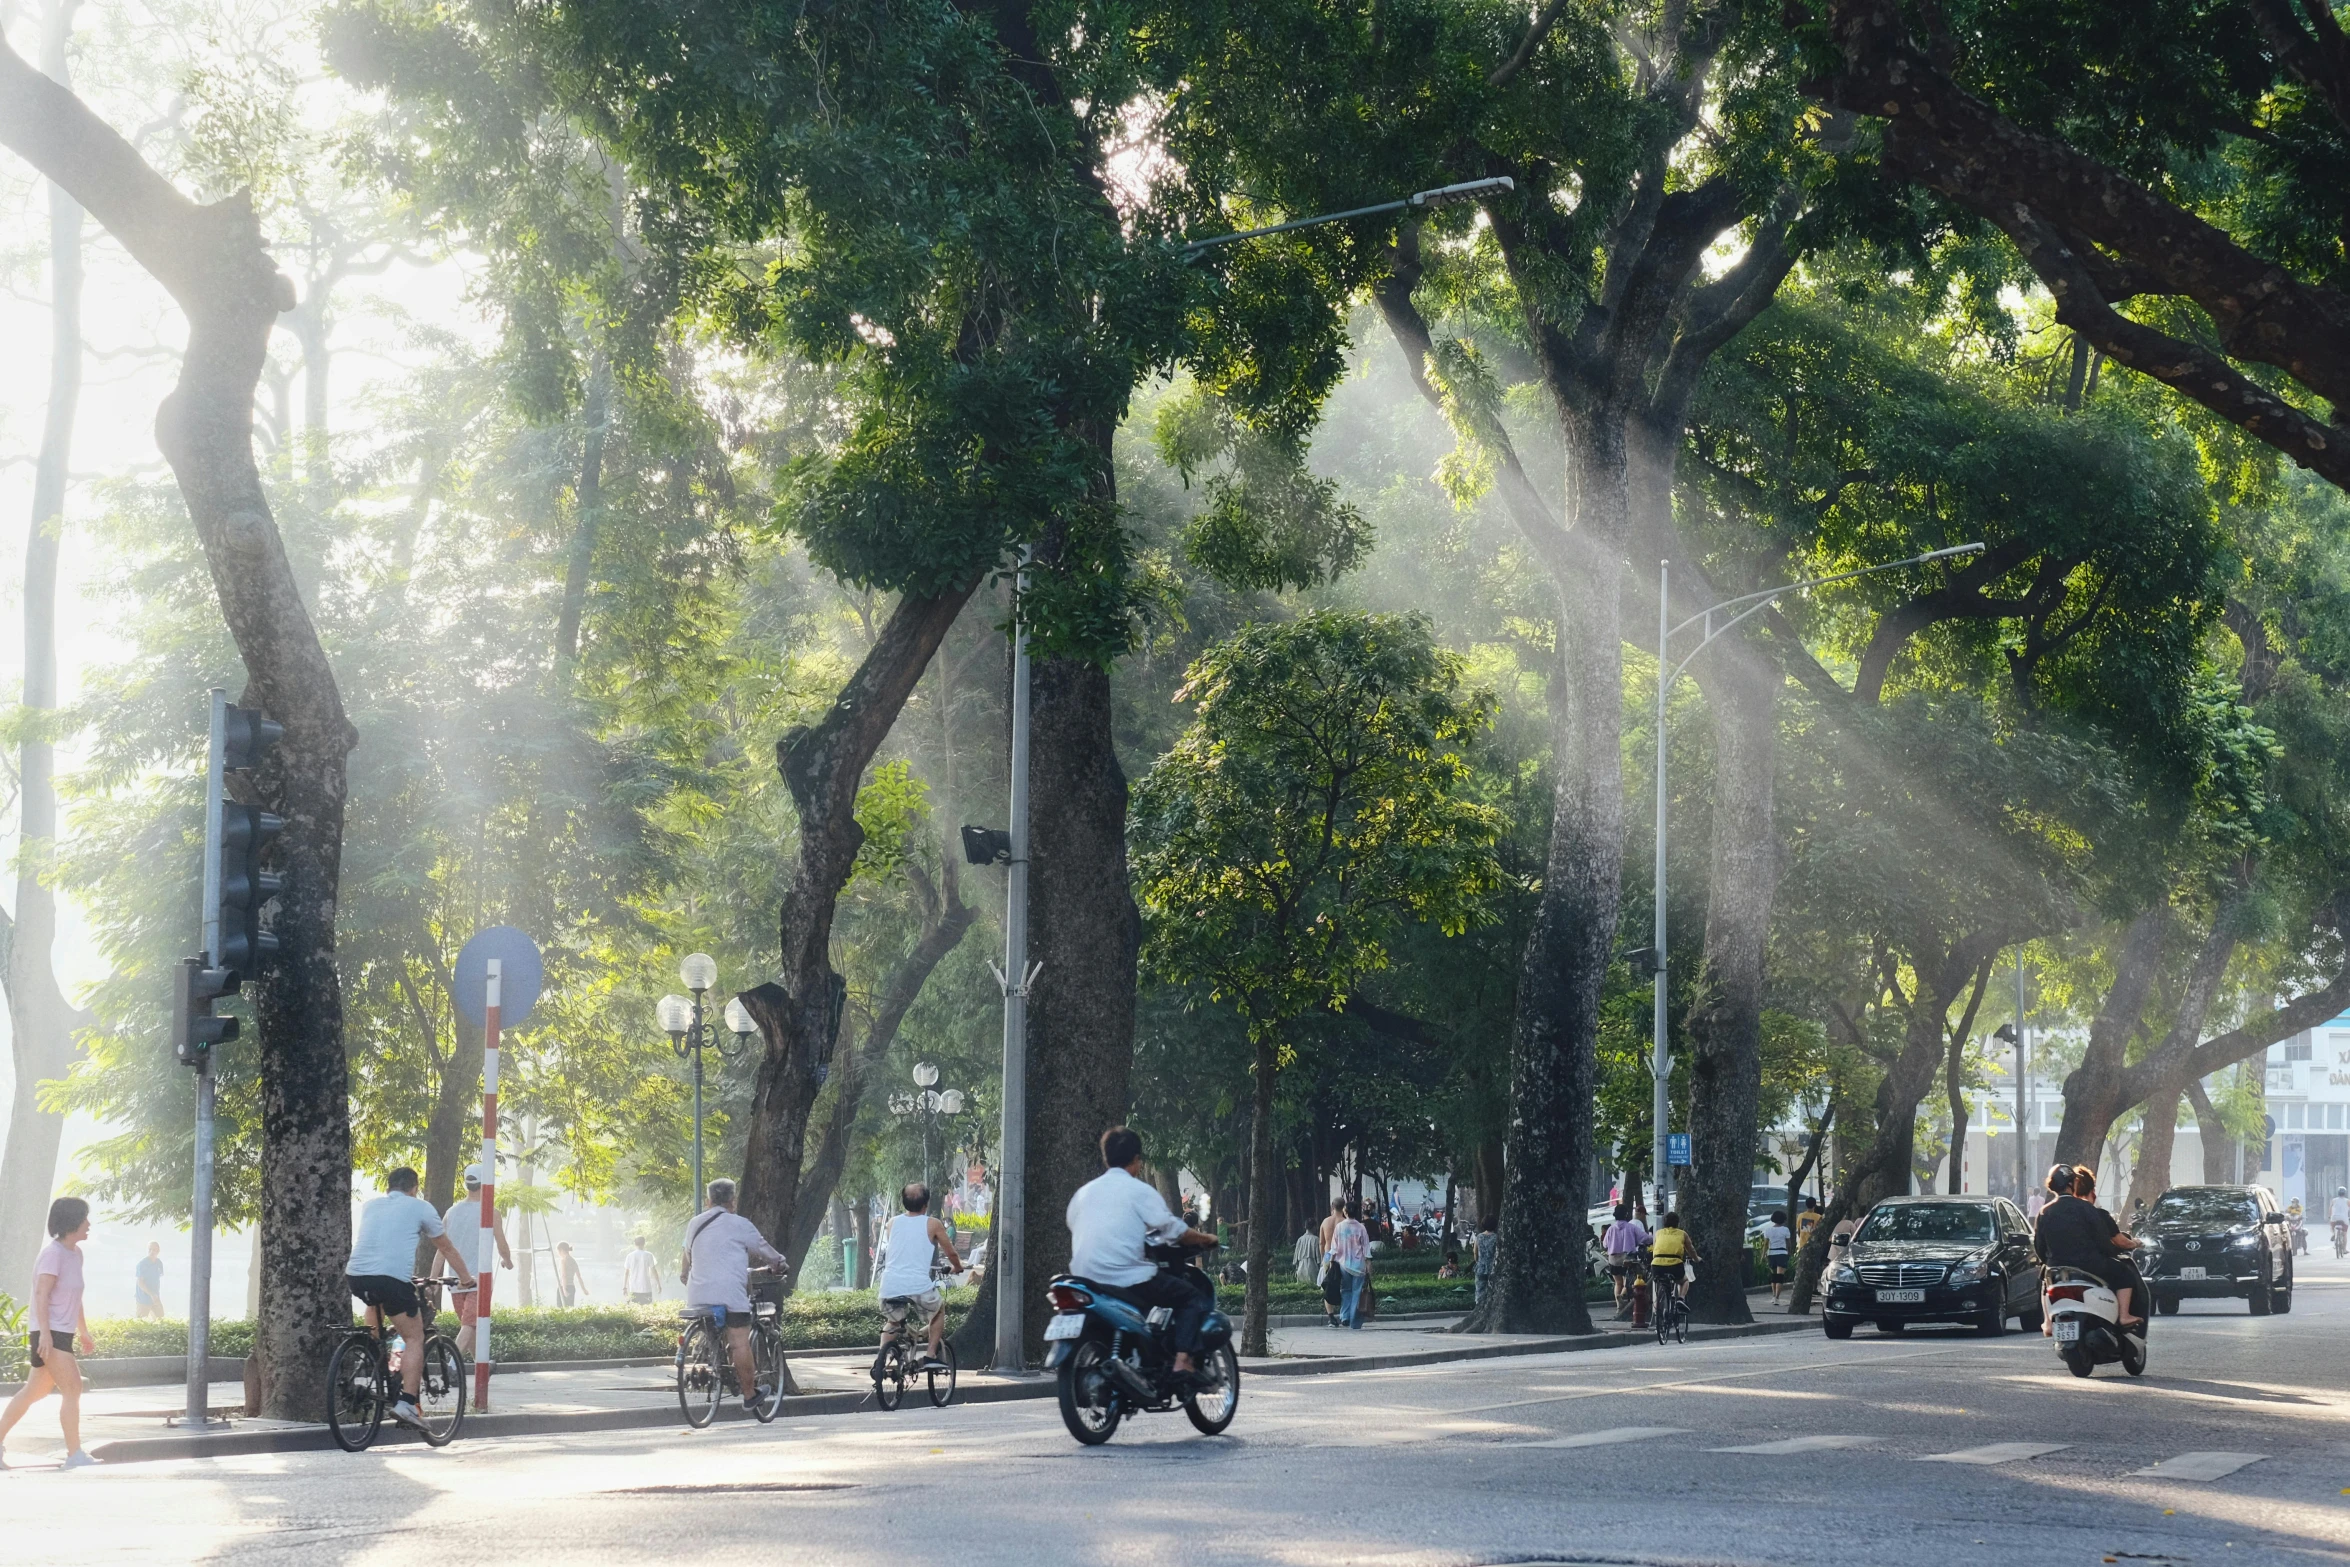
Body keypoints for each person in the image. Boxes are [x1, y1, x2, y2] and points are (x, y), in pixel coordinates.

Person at [1066, 1126, 1220, 1380]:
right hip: (1128, 1279)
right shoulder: (1139, 1191)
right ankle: (1182, 1360)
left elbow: (1074, 1223)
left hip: (1085, 1279)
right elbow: (1174, 1230)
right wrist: (1205, 1239)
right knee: (1191, 1298)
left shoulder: (1083, 1194)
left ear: (1106, 1158)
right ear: (1137, 1160)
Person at [347, 1168, 476, 1431]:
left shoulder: (370, 1206)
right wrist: (466, 1279)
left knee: (376, 1304)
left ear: (389, 1187)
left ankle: (373, 1356)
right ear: (414, 1187)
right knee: (414, 1337)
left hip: (357, 1276)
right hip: (392, 1279)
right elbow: (446, 1247)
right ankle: (406, 1403)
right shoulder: (421, 1207)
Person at [0, 1198, 100, 1469]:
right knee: (73, 1387)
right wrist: (44, 1334)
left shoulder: (75, 1254)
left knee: (34, 1391)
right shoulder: (52, 1254)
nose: (88, 1224)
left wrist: (84, 1331)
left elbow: (74, 1296)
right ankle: (74, 1454)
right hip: (50, 1332)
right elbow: (41, 1294)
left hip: (60, 1332)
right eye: (84, 1219)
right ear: (71, 1222)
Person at [680, 1179, 787, 1409]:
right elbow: (764, 1249)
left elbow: (686, 1255)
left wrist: (683, 1275)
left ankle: (716, 1365)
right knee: (739, 1343)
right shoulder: (740, 1224)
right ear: (733, 1201)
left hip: (697, 1296)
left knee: (713, 1329)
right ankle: (749, 1395)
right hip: (730, 1296)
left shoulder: (694, 1224)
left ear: (708, 1201)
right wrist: (779, 1264)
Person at [2032, 1163, 2146, 1334]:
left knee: (2044, 1281)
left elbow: (2039, 1246)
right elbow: (2103, 1242)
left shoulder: (2044, 1212)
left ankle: (2048, 1322)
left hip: (2056, 1267)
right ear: (2071, 1184)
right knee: (2124, 1274)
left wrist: (2048, 1262)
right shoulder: (2086, 1208)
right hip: (2090, 1265)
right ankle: (2124, 1315)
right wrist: (2113, 1252)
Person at [873, 1181, 967, 1374]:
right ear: (926, 1204)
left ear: (903, 1202)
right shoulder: (933, 1224)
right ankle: (931, 1355)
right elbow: (951, 1254)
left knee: (893, 1322)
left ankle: (880, 1360)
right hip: (918, 1286)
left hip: (889, 1286)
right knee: (938, 1310)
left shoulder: (892, 1223)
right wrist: (957, 1267)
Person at [438, 1165, 511, 1360]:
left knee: (470, 1325)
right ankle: (451, 1366)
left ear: (466, 1184)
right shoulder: (490, 1212)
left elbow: (441, 1250)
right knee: (469, 1325)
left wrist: (433, 1278)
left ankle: (483, 1364)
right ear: (486, 1184)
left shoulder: (451, 1212)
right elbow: (502, 1244)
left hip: (454, 1280)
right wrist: (507, 1261)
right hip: (479, 1279)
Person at [1602, 1203, 1649, 1319]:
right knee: (1628, 1281)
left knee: (1618, 1283)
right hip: (1627, 1258)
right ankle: (1622, 1297)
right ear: (1626, 1214)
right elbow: (1644, 1238)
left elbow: (1605, 1244)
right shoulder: (1631, 1227)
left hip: (1613, 1259)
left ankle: (1619, 1307)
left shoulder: (1611, 1229)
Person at [1331, 1201, 1372, 1328]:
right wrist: (1369, 1266)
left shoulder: (1339, 1227)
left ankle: (1345, 1317)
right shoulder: (1361, 1227)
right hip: (1359, 1266)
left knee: (1345, 1291)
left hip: (1343, 1265)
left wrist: (1330, 1262)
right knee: (1356, 1292)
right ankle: (1354, 1322)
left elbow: (1334, 1248)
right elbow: (1366, 1249)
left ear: (1346, 1212)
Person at [1648, 1210, 1698, 1311]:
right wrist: (1696, 1258)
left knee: (1659, 1283)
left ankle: (1657, 1307)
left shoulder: (1658, 1233)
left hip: (1657, 1265)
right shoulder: (1682, 1234)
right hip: (1675, 1265)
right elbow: (1690, 1249)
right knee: (1684, 1281)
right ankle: (1680, 1299)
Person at [1317, 1196, 1346, 1327]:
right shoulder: (1345, 1222)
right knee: (1343, 1285)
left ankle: (1331, 1317)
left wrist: (1323, 1257)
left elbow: (1321, 1242)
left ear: (1332, 1207)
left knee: (1328, 1285)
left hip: (1328, 1255)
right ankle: (1344, 1314)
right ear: (1343, 1207)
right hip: (1341, 1255)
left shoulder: (1325, 1221)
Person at [1762, 1209, 1794, 1304]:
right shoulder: (1785, 1230)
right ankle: (1777, 1297)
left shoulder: (1768, 1230)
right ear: (1783, 1219)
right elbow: (1788, 1243)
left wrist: (1763, 1254)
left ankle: (1773, 1296)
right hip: (1782, 1253)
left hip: (1771, 1253)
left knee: (1774, 1276)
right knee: (1780, 1276)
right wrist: (1790, 1252)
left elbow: (1766, 1244)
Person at [622, 1236, 662, 1303]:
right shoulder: (649, 1255)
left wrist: (624, 1287)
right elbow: (654, 1271)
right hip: (646, 1287)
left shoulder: (629, 1256)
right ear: (644, 1243)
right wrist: (658, 1284)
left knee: (635, 1310)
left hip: (634, 1287)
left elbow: (626, 1272)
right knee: (646, 1309)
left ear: (635, 1244)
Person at [134, 1243, 165, 1321]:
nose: (151, 1252)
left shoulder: (159, 1263)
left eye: (154, 1250)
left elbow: (158, 1278)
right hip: (143, 1299)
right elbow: (140, 1283)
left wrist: (155, 1295)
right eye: (150, 1249)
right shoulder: (142, 1264)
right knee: (139, 1323)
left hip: (155, 1298)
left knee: (160, 1320)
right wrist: (151, 1294)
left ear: (158, 1251)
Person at [1472, 1216, 1498, 1306]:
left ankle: (1479, 1306)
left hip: (1481, 1267)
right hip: (1493, 1267)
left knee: (1479, 1289)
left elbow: (1475, 1252)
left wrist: (1478, 1261)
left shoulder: (1479, 1237)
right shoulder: (1496, 1238)